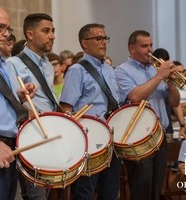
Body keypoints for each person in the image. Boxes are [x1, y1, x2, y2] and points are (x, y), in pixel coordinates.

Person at [115, 30, 180, 200]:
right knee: (141, 190)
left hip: (160, 136)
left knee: (156, 191)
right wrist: (160, 76)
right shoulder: (123, 70)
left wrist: (171, 83)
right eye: (144, 46)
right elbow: (135, 96)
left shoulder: (154, 69)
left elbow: (173, 102)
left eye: (151, 45)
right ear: (131, 48)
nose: (150, 50)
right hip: (138, 139)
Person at [59, 23, 122, 200]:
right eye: (98, 38)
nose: (103, 42)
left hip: (111, 138)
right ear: (84, 43)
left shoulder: (109, 69)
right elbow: (66, 109)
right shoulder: (77, 70)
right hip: (89, 140)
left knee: (110, 191)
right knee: (85, 191)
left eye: (105, 38)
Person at [0, 5, 37, 200]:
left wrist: (18, 98)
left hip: (6, 148)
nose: (7, 34)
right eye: (0, 27)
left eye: (8, 29)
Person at [6, 13, 58, 200]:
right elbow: (11, 103)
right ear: (30, 34)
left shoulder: (48, 65)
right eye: (46, 31)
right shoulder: (13, 64)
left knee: (47, 191)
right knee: (35, 195)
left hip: (49, 132)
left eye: (53, 31)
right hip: (31, 135)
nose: (52, 35)